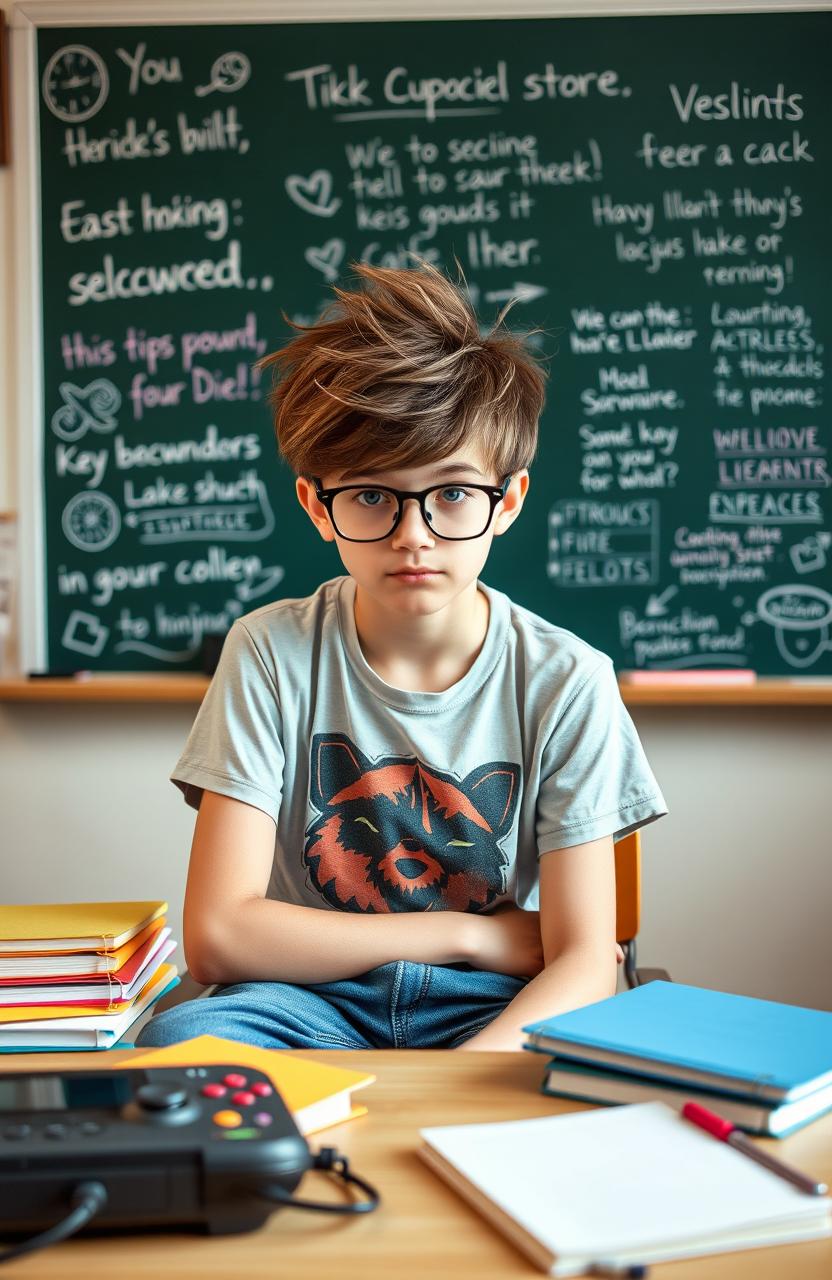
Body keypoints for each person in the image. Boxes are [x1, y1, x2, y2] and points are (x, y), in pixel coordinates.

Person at [137, 261, 667, 1053]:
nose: (413, 534)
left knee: (578, 1085)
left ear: (509, 500)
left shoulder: (566, 681)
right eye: (373, 495)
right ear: (319, 504)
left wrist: (462, 1081)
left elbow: (586, 959)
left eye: (453, 493)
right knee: (183, 1053)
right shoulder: (270, 653)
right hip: (305, 998)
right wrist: (469, 935)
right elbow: (219, 934)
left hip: (490, 1005)